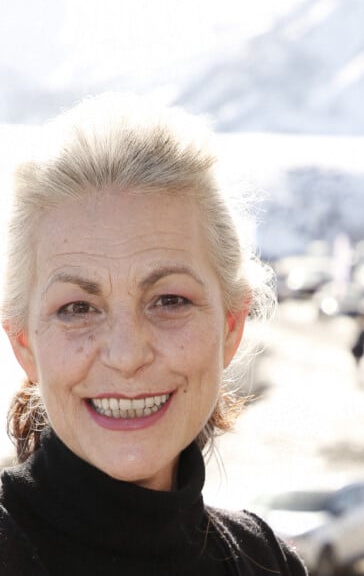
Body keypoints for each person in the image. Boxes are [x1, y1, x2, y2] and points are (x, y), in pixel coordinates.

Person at [0, 93, 308, 575]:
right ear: (23, 343)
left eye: (169, 301)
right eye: (78, 308)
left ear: (231, 324)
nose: (126, 355)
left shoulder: (265, 562)